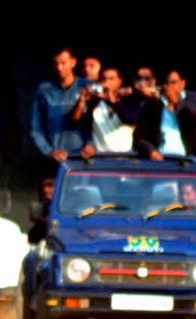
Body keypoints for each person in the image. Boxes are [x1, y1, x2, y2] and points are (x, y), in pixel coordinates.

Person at [132, 68, 196, 213]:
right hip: (163, 165)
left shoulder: (192, 99)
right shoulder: (152, 105)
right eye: (166, 83)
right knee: (143, 192)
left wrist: (178, 103)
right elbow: (138, 139)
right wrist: (151, 151)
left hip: (192, 163)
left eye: (174, 83)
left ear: (182, 84)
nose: (170, 87)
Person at [29, 47, 93, 176]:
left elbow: (97, 122)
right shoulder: (44, 90)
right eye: (56, 64)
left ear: (73, 62)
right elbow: (35, 128)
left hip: (83, 158)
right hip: (55, 161)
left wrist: (91, 144)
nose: (59, 68)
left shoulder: (87, 86)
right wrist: (49, 151)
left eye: (63, 63)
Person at [79, 64, 136, 153]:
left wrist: (113, 102)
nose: (107, 83)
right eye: (104, 79)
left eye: (111, 79)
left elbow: (131, 120)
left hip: (126, 156)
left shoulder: (129, 101)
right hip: (101, 157)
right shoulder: (94, 103)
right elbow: (84, 126)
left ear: (119, 81)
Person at [27, 176, 56, 244]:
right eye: (43, 186)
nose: (45, 190)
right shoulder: (44, 206)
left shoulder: (71, 206)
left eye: (50, 185)